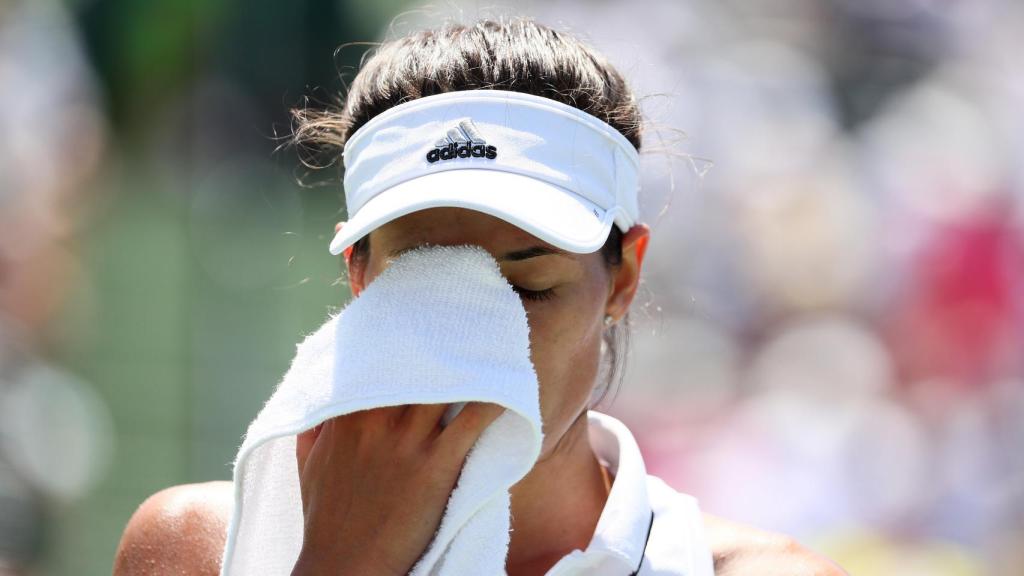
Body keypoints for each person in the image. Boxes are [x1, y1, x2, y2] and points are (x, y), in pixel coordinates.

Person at [113, 18, 847, 576]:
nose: (481, 339)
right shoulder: (196, 546)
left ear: (623, 277)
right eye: (430, 279)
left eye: (530, 288)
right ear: (359, 274)